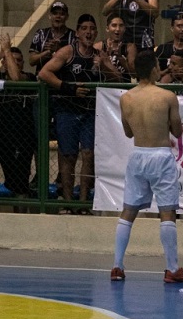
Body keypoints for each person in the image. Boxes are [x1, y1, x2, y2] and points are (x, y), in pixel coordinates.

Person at [111, 50, 183, 284]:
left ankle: (117, 266)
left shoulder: (125, 98)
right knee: (167, 212)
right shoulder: (167, 96)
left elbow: (128, 132)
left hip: (138, 155)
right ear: (153, 69)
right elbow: (177, 132)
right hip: (160, 155)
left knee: (128, 211)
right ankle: (172, 269)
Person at [38, 14, 122, 212]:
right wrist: (69, 88)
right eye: (84, 28)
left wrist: (104, 67)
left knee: (89, 154)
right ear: (77, 33)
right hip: (67, 110)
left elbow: (118, 78)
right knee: (68, 156)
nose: (89, 32)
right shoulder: (68, 52)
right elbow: (44, 73)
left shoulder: (99, 55)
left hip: (90, 112)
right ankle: (68, 202)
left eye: (92, 28)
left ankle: (84, 202)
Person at [0, 35, 37, 200]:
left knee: (19, 184)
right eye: (11, 59)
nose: (15, 63)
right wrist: (0, 55)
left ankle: (21, 216)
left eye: (19, 61)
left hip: (20, 139)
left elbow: (15, 78)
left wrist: (7, 50)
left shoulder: (29, 78)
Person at [29, 2, 76, 72]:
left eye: (62, 14)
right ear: (49, 16)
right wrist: (48, 52)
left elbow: (76, 63)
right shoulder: (41, 34)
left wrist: (59, 50)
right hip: (42, 80)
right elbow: (32, 61)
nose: (58, 16)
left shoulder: (73, 36)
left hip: (63, 80)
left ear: (67, 17)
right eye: (55, 13)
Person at [94, 13, 137, 82]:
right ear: (107, 28)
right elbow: (94, 71)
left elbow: (134, 74)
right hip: (104, 87)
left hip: (123, 87)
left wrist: (120, 57)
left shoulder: (129, 47)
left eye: (121, 26)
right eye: (114, 25)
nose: (117, 29)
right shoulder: (99, 47)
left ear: (125, 28)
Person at [155, 11, 183, 80]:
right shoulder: (163, 49)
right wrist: (169, 70)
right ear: (172, 28)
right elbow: (155, 75)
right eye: (179, 26)